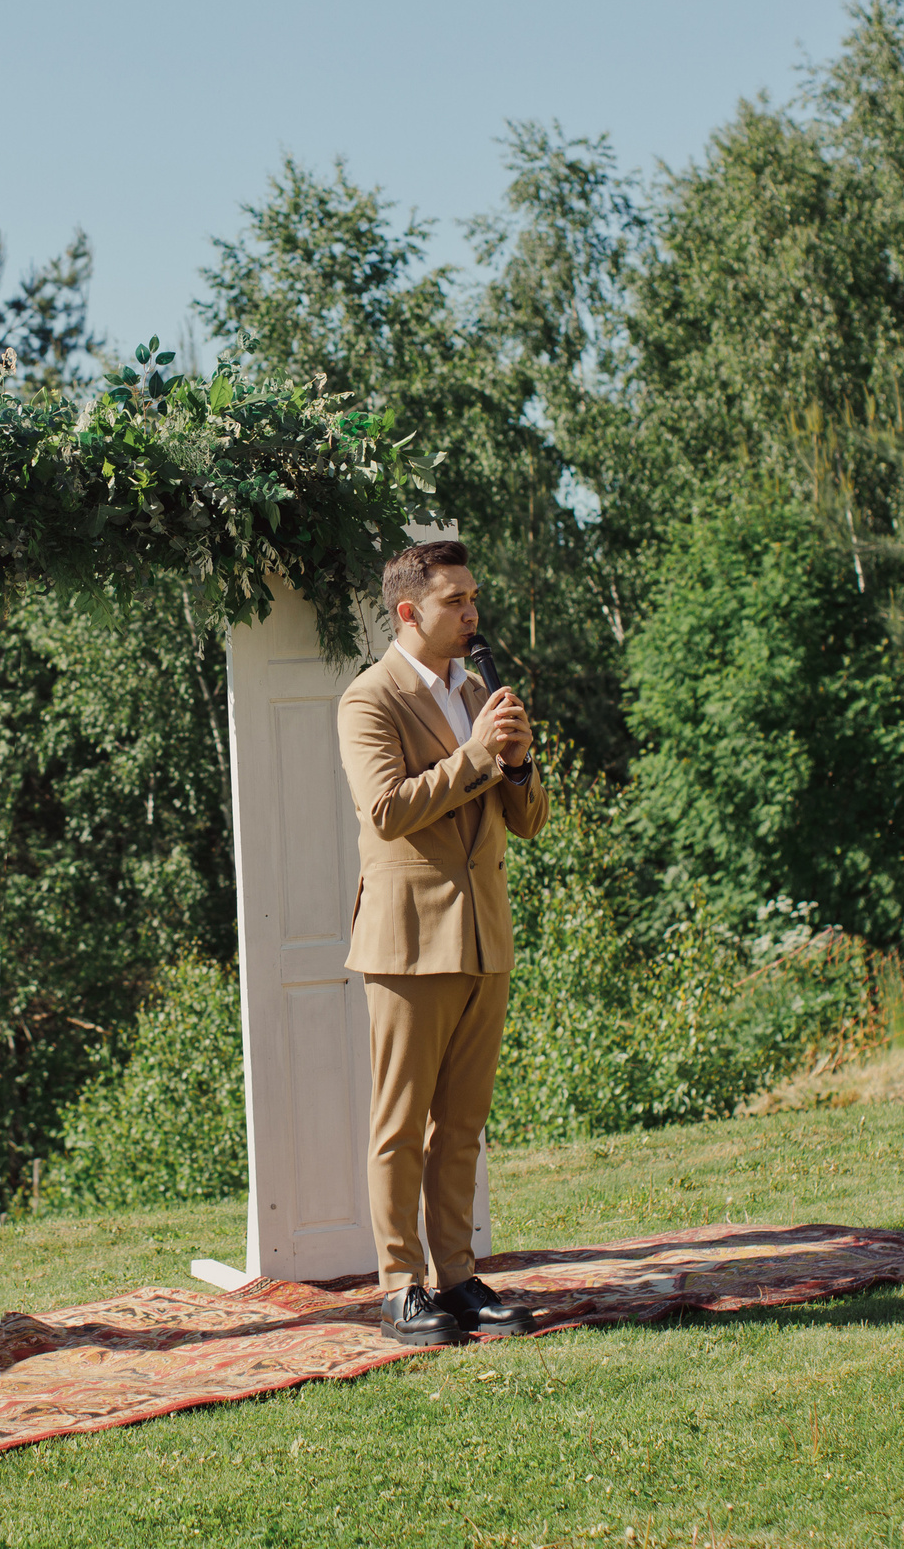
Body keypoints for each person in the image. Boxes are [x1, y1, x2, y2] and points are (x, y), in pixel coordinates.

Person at [337, 538, 550, 1344]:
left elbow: (527, 822)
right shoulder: (370, 699)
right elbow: (386, 810)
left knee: (463, 1124)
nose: (471, 613)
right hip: (408, 940)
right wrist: (474, 755)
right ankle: (400, 1286)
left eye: (473, 599)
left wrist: (521, 767)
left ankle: (458, 1277)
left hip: (484, 934)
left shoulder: (480, 691)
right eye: (455, 600)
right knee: (401, 1122)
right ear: (408, 611)